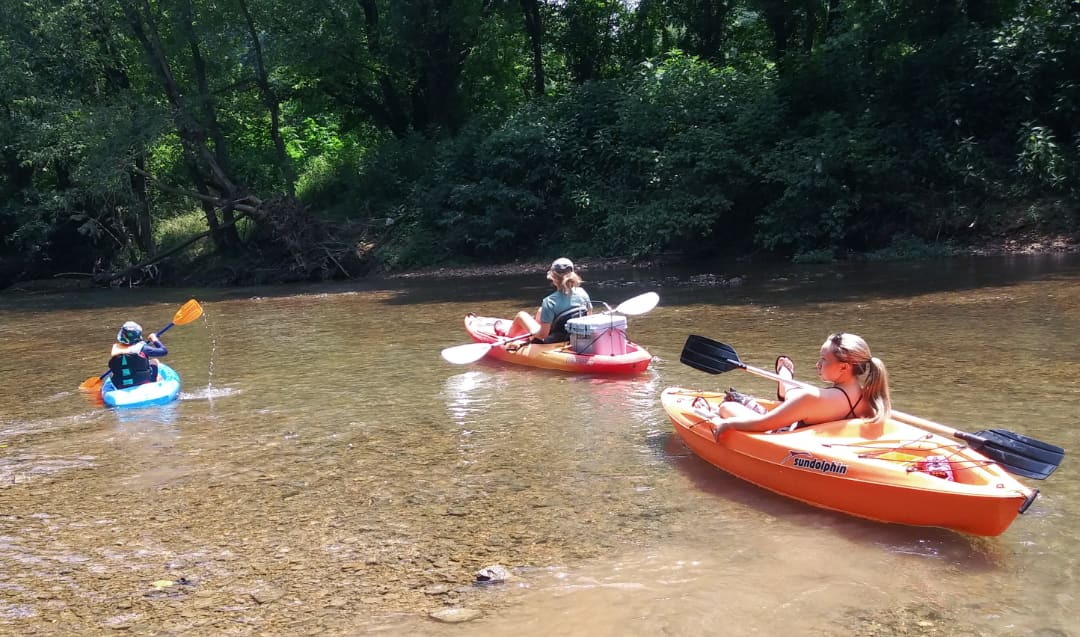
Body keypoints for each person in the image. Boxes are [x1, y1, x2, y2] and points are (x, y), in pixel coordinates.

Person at [706, 332, 891, 440]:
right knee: (793, 395)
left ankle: (784, 376)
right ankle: (784, 377)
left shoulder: (811, 398)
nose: (818, 365)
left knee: (727, 406)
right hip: (818, 428)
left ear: (844, 366)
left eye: (824, 359)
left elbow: (763, 424)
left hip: (786, 435)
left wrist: (728, 423)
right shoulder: (872, 399)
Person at [507, 257, 592, 343]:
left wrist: (532, 331)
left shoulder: (549, 301)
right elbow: (589, 316)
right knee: (540, 311)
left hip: (553, 339)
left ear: (554, 278)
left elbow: (543, 335)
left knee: (521, 315)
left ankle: (507, 339)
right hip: (573, 335)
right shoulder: (582, 293)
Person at [108, 321, 168, 388]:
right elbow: (164, 351)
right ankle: (153, 382)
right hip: (142, 382)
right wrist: (154, 339)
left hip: (120, 385)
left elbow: (111, 366)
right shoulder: (143, 348)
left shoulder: (115, 349)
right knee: (154, 361)